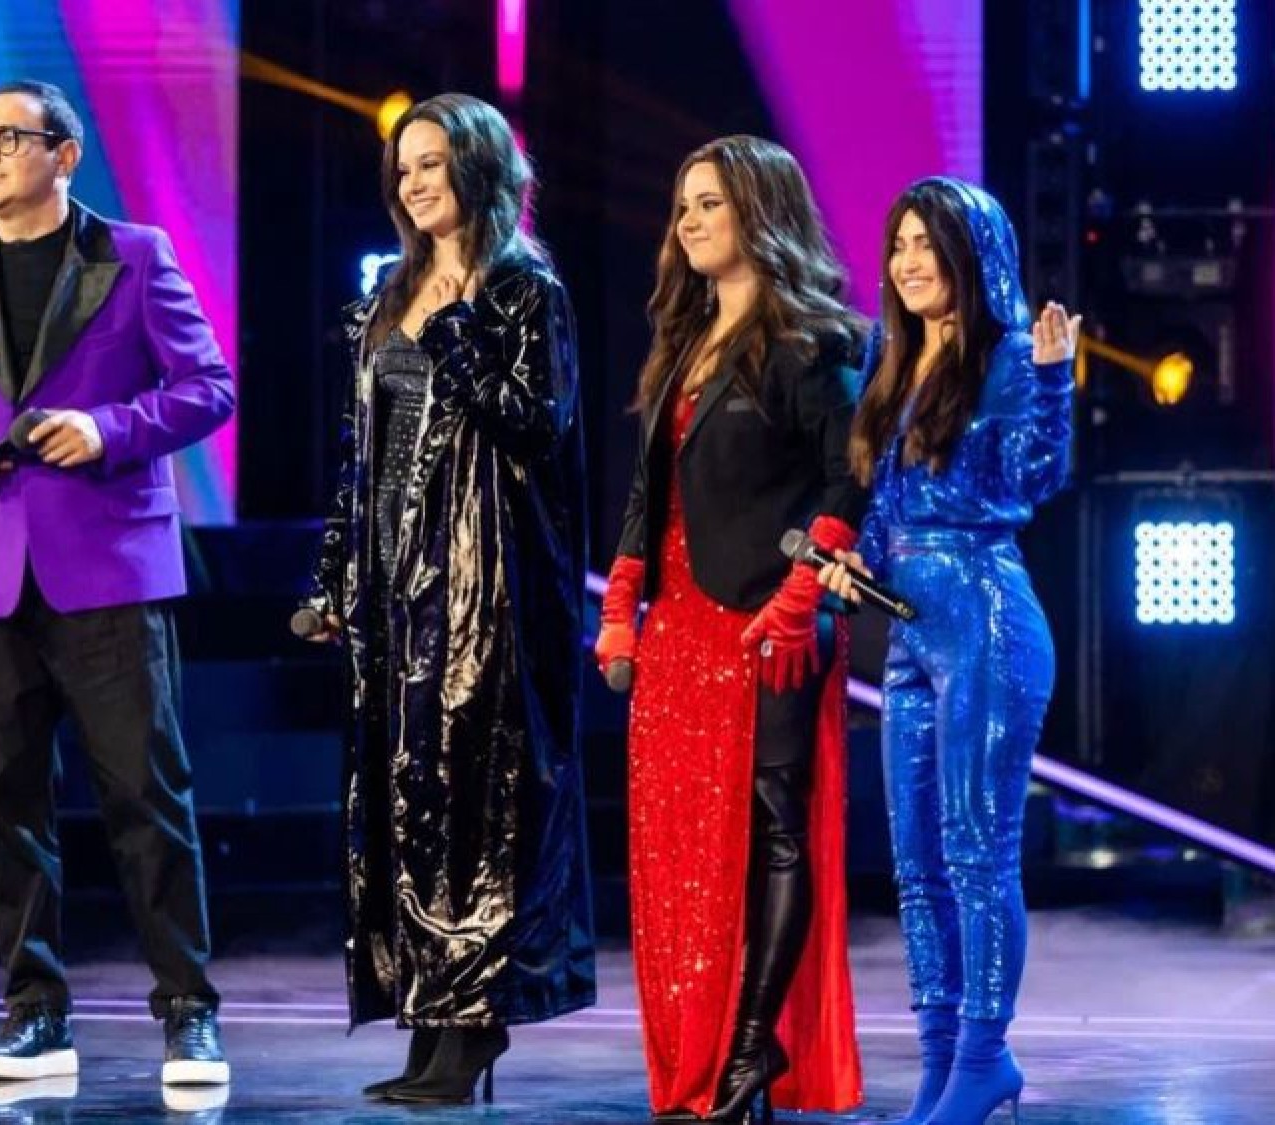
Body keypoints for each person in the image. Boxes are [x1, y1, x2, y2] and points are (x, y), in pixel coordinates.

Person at [0, 80, 234, 1087]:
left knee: (145, 794)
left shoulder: (135, 255)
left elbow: (208, 386)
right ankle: (36, 1014)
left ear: (65, 154)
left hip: (109, 566)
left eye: (11, 136)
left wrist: (109, 428)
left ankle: (188, 1012)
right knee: (7, 800)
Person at [297, 91, 595, 1105]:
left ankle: (476, 1017)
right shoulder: (392, 292)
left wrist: (461, 330)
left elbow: (537, 426)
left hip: (483, 586)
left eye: (432, 162)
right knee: (407, 797)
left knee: (478, 798)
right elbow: (361, 455)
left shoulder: (524, 289)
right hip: (394, 583)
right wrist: (337, 575)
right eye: (405, 166)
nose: (414, 181)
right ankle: (430, 1014)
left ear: (477, 168)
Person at [595, 135, 867, 1122]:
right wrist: (622, 604)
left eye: (710, 202)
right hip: (680, 631)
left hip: (767, 626)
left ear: (761, 210)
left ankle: (753, 1045)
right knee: (687, 853)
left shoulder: (813, 342)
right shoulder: (683, 340)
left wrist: (800, 596)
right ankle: (703, 1051)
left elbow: (850, 477)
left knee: (774, 831)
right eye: (684, 206)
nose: (691, 221)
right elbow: (649, 491)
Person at [819, 178, 1077, 1125]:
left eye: (927, 243)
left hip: (987, 621)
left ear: (972, 254)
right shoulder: (890, 358)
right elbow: (882, 501)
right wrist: (853, 557)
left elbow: (1035, 479)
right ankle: (939, 1058)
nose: (909, 261)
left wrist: (1054, 382)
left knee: (977, 850)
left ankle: (983, 1056)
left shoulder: (1007, 357)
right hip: (909, 633)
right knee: (917, 861)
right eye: (899, 244)